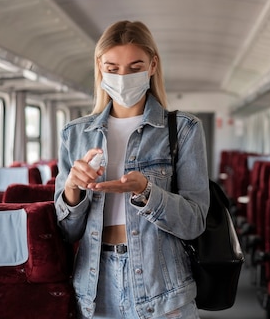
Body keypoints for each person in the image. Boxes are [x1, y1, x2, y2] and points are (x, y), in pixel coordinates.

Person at [54, 20, 210, 319]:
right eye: (112, 68)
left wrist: (146, 191)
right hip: (95, 285)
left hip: (161, 283)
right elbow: (67, 232)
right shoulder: (75, 134)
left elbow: (194, 223)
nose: (123, 77)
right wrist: (73, 189)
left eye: (134, 66)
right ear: (100, 68)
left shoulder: (184, 129)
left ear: (152, 66)